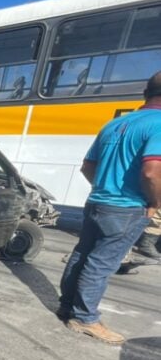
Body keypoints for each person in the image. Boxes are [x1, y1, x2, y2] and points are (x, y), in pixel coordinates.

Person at [58, 72, 161, 344]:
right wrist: (155, 202)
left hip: (98, 201)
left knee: (82, 254)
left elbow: (87, 167)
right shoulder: (159, 124)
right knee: (101, 263)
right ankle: (85, 318)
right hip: (127, 207)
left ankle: (67, 306)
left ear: (145, 91)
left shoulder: (115, 124)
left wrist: (103, 189)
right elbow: (152, 172)